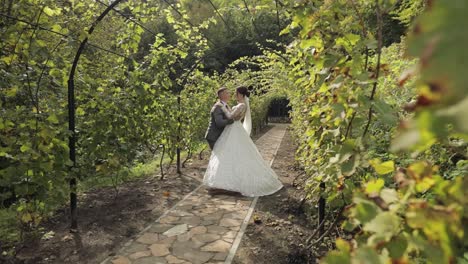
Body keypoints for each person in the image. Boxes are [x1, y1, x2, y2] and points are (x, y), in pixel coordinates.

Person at [203, 86, 283, 197]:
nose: (233, 95)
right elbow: (225, 120)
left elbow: (231, 117)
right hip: (230, 131)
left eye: (235, 93)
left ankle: (227, 182)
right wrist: (223, 108)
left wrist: (223, 107)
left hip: (234, 131)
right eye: (229, 93)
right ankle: (224, 182)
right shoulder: (225, 106)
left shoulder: (240, 105)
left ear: (241, 95)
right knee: (226, 156)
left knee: (229, 156)